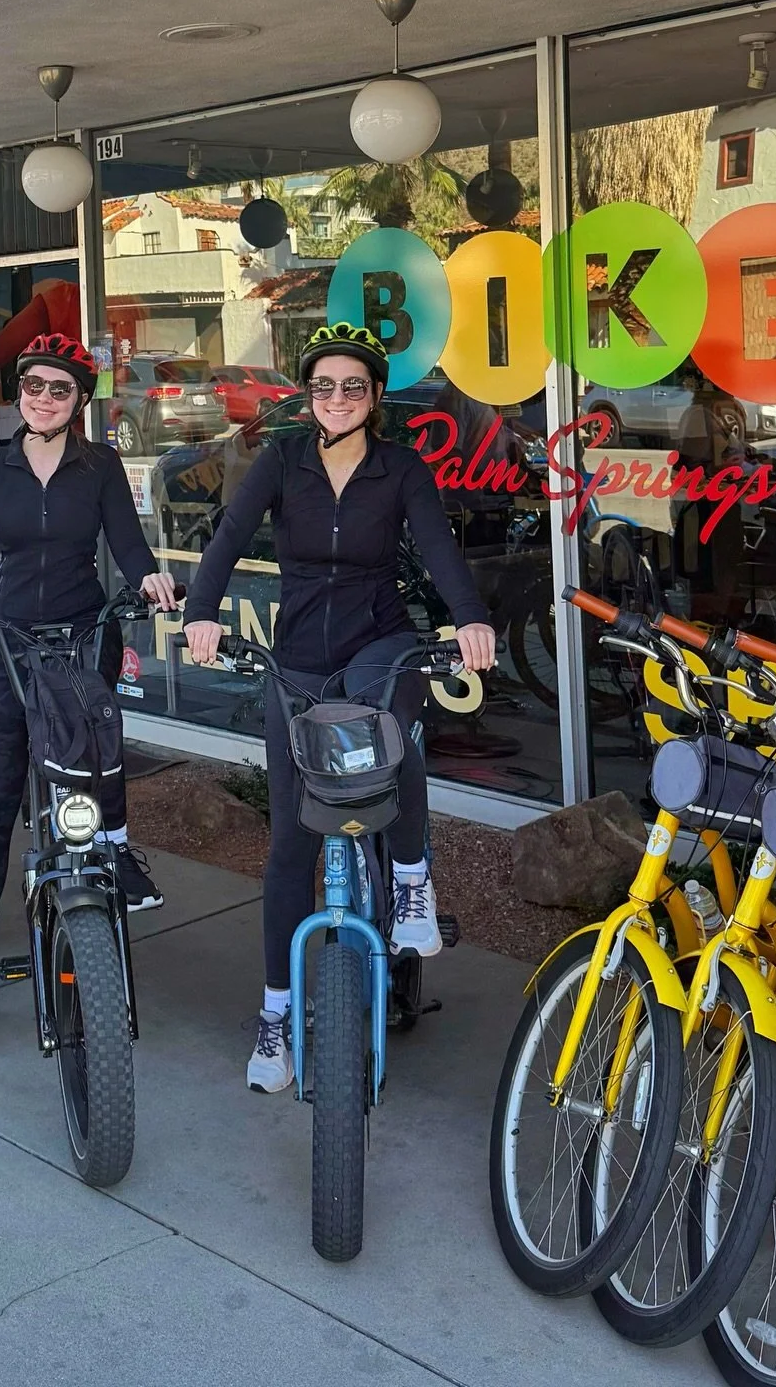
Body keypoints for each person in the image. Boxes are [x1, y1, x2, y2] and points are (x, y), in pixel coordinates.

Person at [180, 323, 496, 1094]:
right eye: (324, 385)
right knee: (290, 841)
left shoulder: (400, 469)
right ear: (308, 395)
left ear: (375, 396)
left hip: (378, 640)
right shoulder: (280, 461)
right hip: (298, 658)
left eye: (354, 386)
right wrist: (201, 609)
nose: (338, 398)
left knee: (386, 726)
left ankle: (413, 882)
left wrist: (471, 617)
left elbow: (439, 550)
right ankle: (277, 1016)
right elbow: (226, 538)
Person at [0, 333, 181, 1053]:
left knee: (97, 764)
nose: (43, 398)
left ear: (79, 401)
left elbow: (126, 544)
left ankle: (117, 852)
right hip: (3, 646)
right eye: (33, 385)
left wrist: (150, 576)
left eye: (59, 389)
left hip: (80, 637)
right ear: (19, 393)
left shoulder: (100, 466)